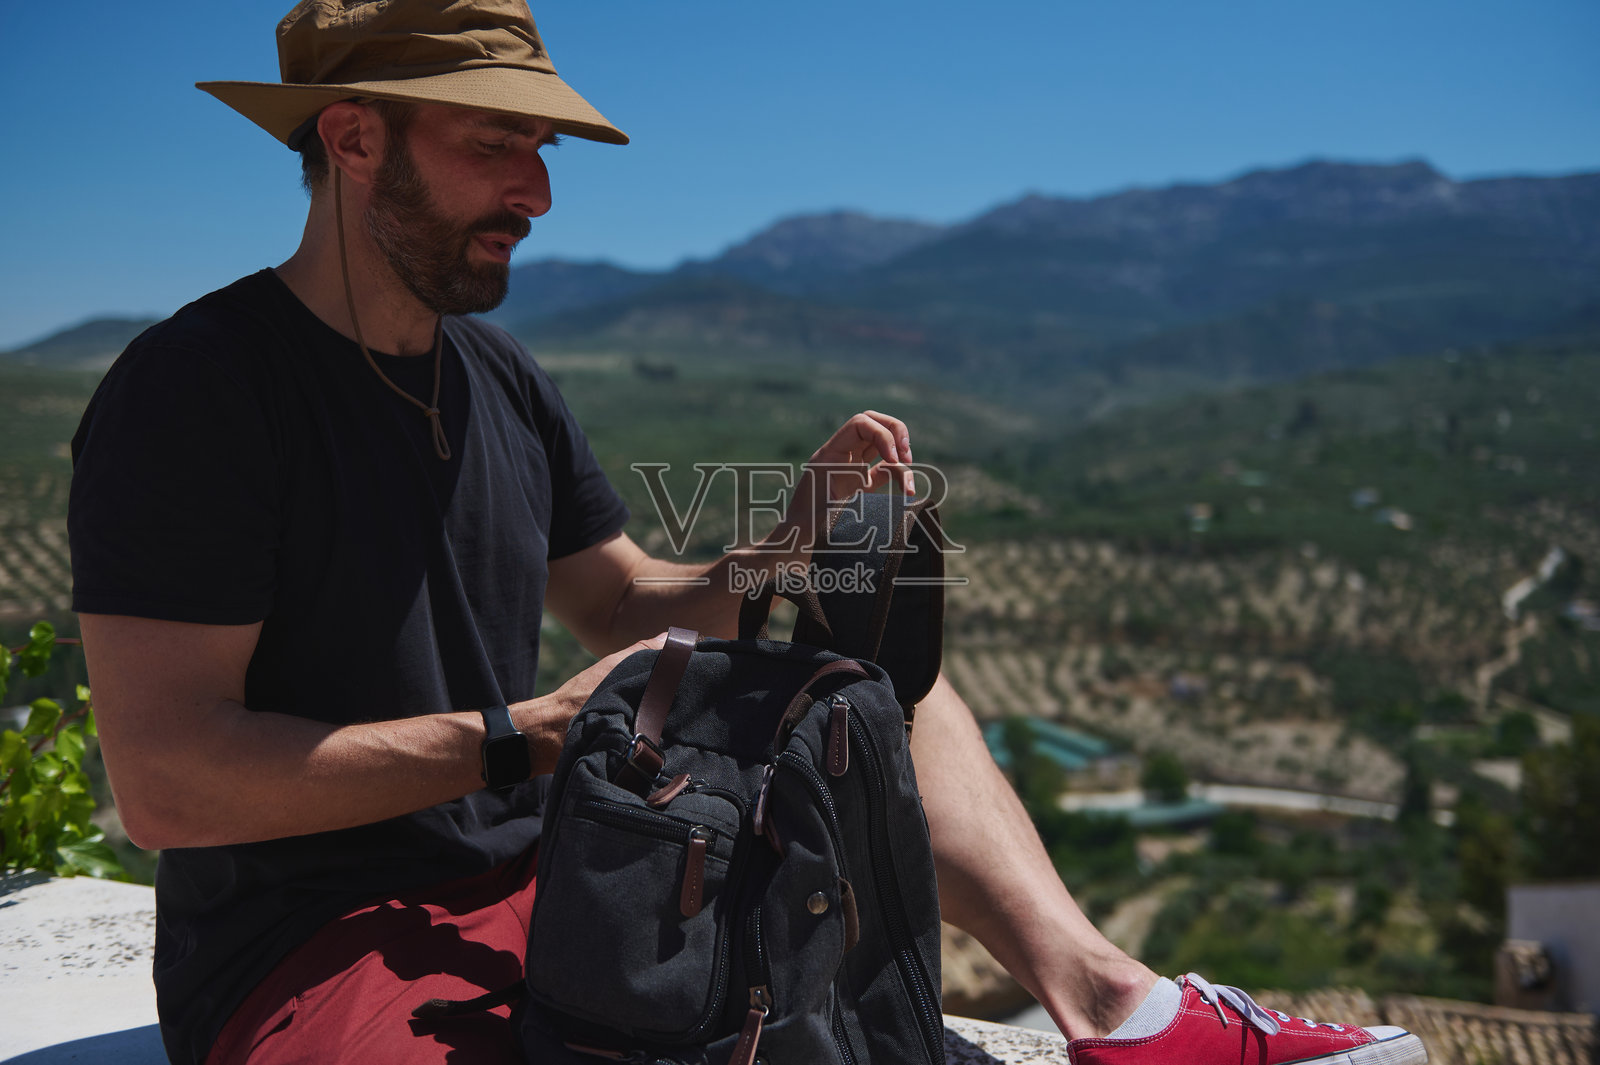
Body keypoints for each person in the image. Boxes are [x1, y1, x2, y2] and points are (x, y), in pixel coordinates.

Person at [67, 3, 1427, 1065]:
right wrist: (528, 736)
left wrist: (782, 550)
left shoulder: (496, 377)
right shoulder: (200, 389)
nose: (538, 192)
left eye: (542, 150)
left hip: (553, 877)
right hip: (315, 945)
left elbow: (620, 604)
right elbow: (169, 782)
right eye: (497, 144)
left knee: (858, 670)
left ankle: (1116, 1003)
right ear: (354, 137)